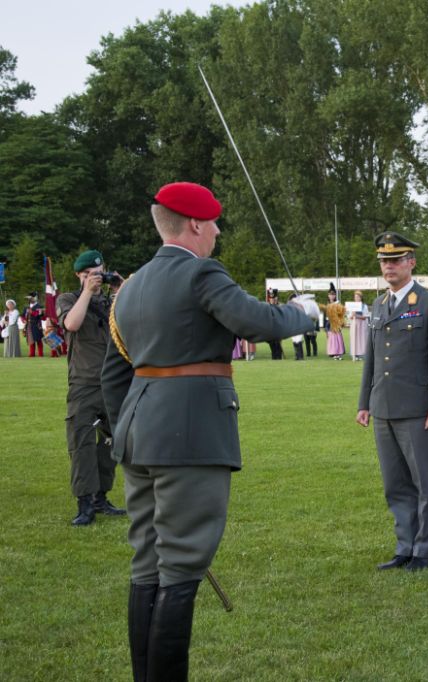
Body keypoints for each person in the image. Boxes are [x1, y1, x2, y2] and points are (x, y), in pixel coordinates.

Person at [101, 181, 313, 681]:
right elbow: (256, 321)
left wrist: (123, 429)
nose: (217, 230)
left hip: (138, 432)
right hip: (190, 434)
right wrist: (302, 312)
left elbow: (114, 372)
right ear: (194, 224)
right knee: (180, 567)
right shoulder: (200, 272)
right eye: (213, 221)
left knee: (148, 562)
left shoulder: (129, 287)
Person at [356, 232, 428, 571]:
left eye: (396, 260)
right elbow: (372, 357)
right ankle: (405, 546)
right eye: (384, 261)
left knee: (426, 483)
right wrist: (363, 402)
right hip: (383, 407)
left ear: (411, 262)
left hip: (417, 409)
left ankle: (424, 550)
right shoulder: (379, 304)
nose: (389, 266)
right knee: (395, 484)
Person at [56, 250, 127, 526]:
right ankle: (84, 502)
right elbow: (72, 323)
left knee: (111, 441)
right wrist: (87, 292)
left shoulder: (112, 302)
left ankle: (101, 497)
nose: (93, 280)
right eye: (87, 275)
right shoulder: (69, 299)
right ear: (79, 276)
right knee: (81, 442)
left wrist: (121, 289)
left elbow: (135, 323)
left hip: (112, 382)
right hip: (84, 382)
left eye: (97, 274)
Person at [321, 284, 347, 359]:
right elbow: (324, 316)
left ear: (335, 296)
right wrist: (324, 326)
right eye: (330, 295)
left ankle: (338, 352)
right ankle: (332, 352)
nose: (331, 296)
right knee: (331, 338)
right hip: (329, 324)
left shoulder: (337, 304)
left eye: (333, 295)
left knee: (337, 338)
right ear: (328, 295)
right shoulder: (327, 304)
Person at [22, 292, 45, 357]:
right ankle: (32, 354)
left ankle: (40, 354)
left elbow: (41, 315)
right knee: (30, 340)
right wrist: (23, 320)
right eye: (29, 299)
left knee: (38, 339)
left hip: (36, 324)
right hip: (29, 324)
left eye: (30, 298)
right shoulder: (26, 307)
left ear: (34, 298)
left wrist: (32, 312)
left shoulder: (39, 306)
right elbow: (23, 315)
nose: (29, 300)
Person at [348, 290, 369, 360]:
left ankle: (362, 353)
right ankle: (355, 353)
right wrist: (352, 315)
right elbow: (349, 316)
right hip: (354, 324)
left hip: (362, 324)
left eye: (358, 297)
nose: (356, 298)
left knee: (361, 338)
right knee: (354, 338)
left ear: (361, 298)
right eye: (355, 297)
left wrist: (357, 316)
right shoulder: (352, 306)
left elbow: (365, 316)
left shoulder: (364, 306)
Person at [266, 289, 285, 360]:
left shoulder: (279, 306)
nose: (272, 300)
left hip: (278, 327)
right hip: (270, 327)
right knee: (271, 343)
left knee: (277, 343)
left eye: (273, 299)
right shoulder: (267, 306)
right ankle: (274, 356)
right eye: (271, 299)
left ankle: (278, 356)